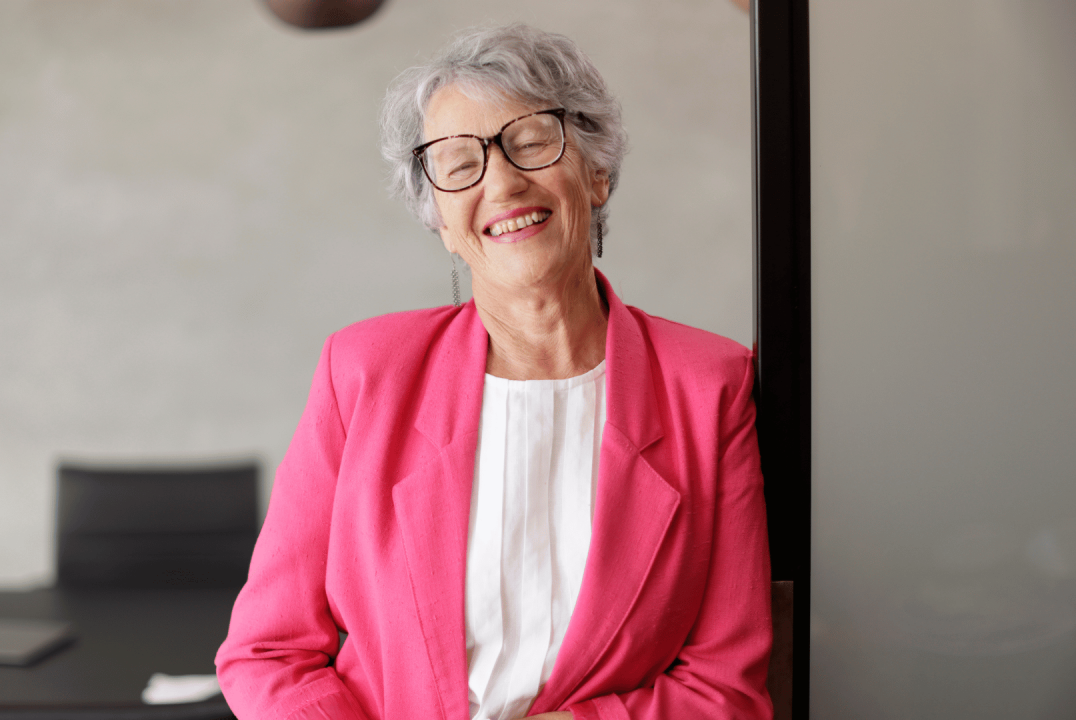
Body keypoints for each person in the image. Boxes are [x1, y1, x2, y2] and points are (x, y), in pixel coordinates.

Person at [216, 24, 772, 720]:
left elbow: (725, 688)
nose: (503, 182)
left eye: (532, 141)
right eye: (458, 162)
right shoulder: (362, 374)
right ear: (442, 220)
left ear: (596, 174)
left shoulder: (711, 385)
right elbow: (268, 654)